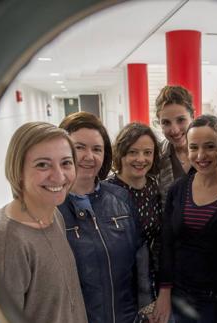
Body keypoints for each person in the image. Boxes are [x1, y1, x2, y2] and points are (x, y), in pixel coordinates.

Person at [0, 122, 87, 323]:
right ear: (18, 170)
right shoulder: (5, 239)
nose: (59, 176)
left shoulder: (53, 213)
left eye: (66, 162)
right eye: (42, 164)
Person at [57, 112, 151, 323]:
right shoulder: (52, 207)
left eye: (97, 149)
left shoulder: (120, 196)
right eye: (79, 147)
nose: (89, 157)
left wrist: (147, 304)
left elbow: (139, 254)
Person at [153, 115, 217, 323]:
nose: (201, 155)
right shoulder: (178, 189)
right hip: (179, 297)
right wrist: (164, 292)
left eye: (210, 146)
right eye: (193, 147)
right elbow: (167, 243)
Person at [107, 122, 163, 305]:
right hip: (116, 282)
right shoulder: (106, 191)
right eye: (133, 152)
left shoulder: (154, 186)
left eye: (147, 152)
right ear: (121, 153)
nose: (141, 159)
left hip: (149, 278)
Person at [154, 85, 195, 204]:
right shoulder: (155, 157)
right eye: (166, 123)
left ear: (192, 116)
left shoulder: (212, 151)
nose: (175, 130)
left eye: (181, 120)